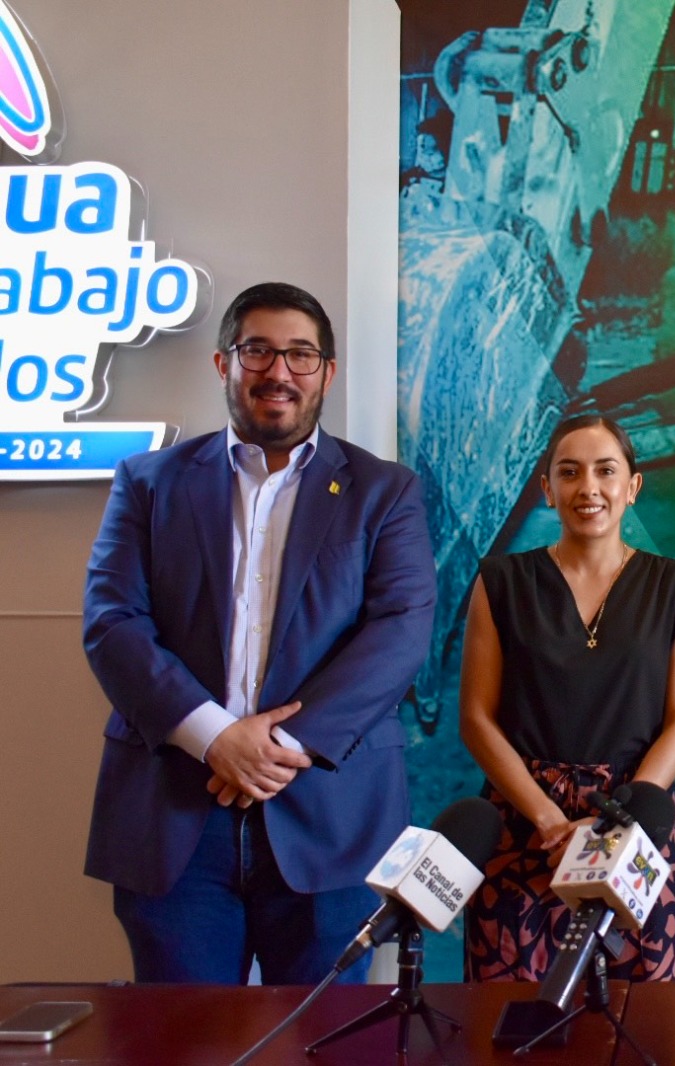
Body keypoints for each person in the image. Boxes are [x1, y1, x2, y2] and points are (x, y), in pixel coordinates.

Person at [81, 282, 437, 984]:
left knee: (322, 1034)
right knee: (182, 1037)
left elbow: (399, 631)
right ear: (224, 363)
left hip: (329, 817)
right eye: (258, 351)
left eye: (301, 354)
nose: (279, 371)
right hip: (177, 817)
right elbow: (112, 621)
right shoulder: (149, 482)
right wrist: (215, 737)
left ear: (327, 372)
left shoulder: (384, 491)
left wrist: (277, 747)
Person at [461, 414, 675, 982]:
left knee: (642, 1012)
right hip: (525, 826)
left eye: (605, 471)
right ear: (547, 489)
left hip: (638, 822)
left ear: (632, 486)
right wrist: (550, 821)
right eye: (569, 473)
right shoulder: (500, 581)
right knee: (512, 1013)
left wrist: (614, 824)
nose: (588, 488)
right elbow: (475, 718)